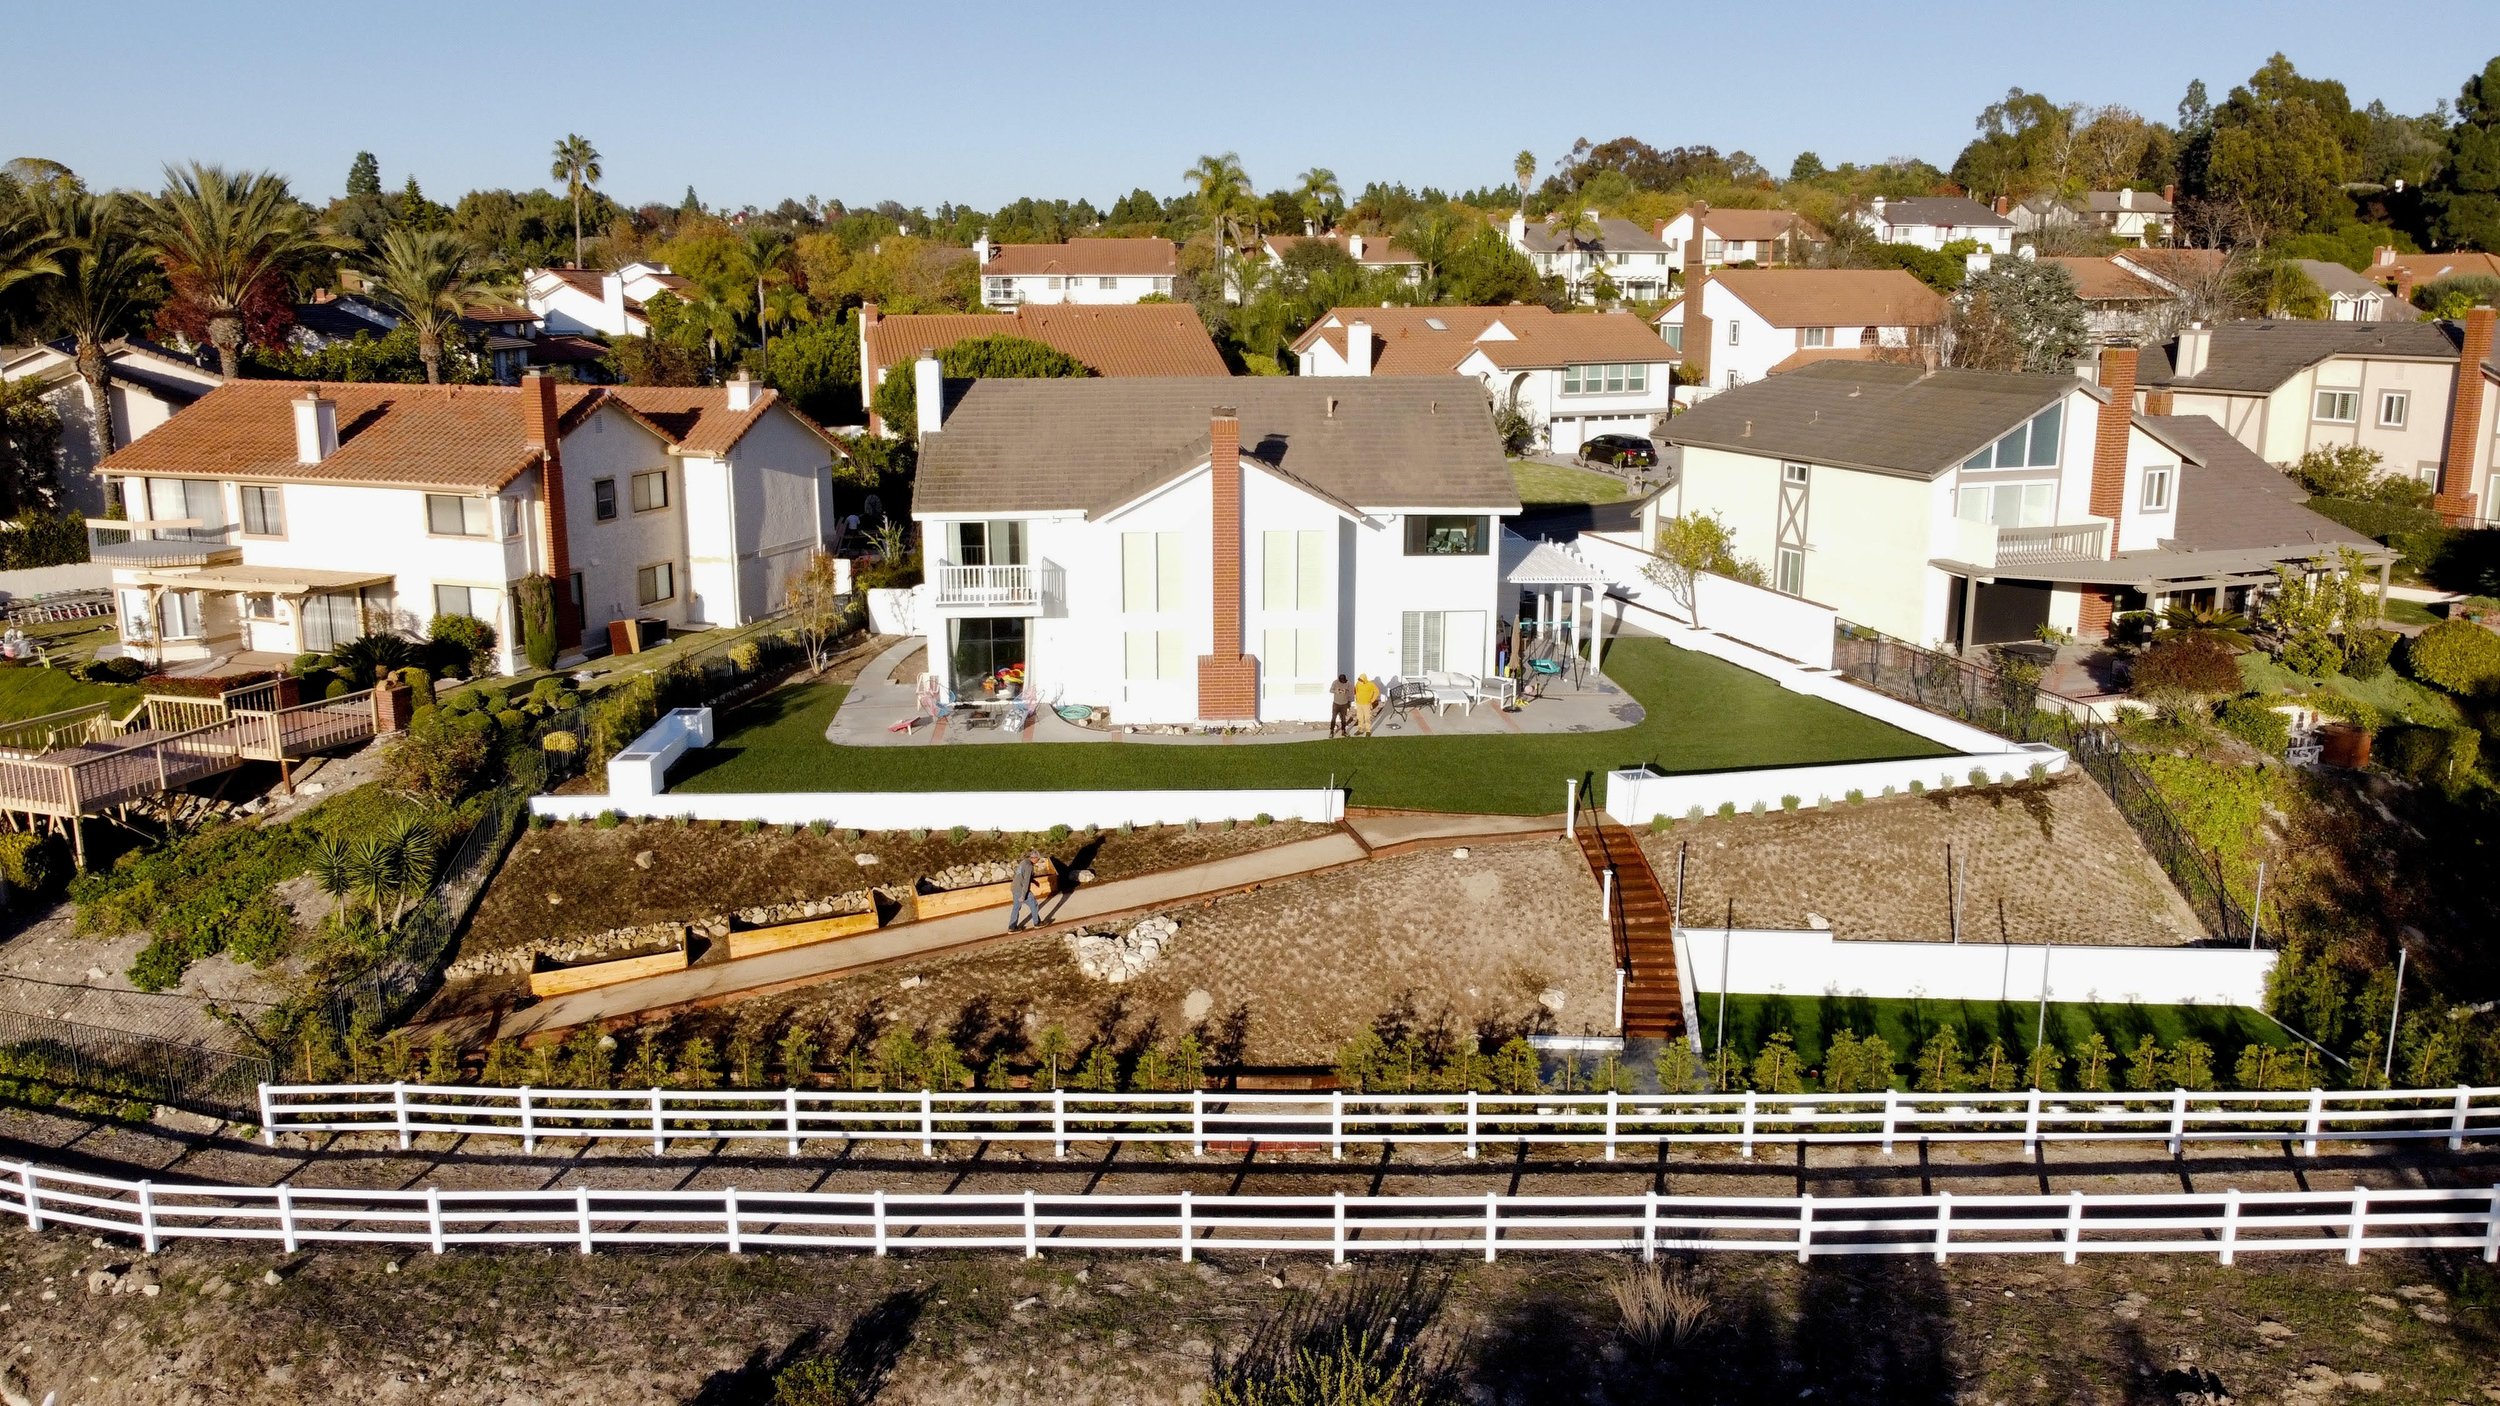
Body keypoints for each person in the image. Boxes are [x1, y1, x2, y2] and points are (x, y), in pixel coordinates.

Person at [1008, 849, 1044, 930]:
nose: (1038, 861)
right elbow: (1026, 882)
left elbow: (1022, 875)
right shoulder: (1029, 866)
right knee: (1034, 904)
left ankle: (1012, 927)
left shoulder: (1024, 862)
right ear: (1034, 858)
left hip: (1014, 887)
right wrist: (1023, 895)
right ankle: (1037, 923)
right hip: (1021, 889)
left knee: (1016, 907)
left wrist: (1034, 881)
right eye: (1038, 859)